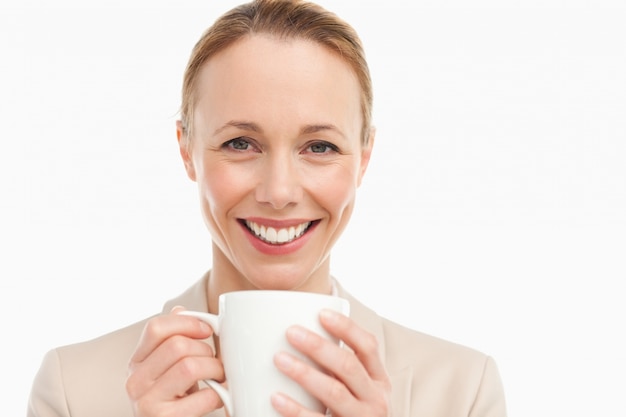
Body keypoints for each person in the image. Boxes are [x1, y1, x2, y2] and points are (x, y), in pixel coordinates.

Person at [28, 1, 507, 416]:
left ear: (364, 159)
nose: (279, 192)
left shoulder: (462, 393)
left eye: (319, 147)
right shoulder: (74, 391)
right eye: (241, 143)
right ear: (185, 149)